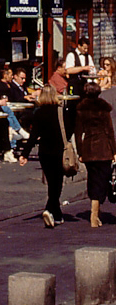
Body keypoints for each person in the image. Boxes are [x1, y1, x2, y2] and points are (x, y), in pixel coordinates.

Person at [19, 84, 66, 228]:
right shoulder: (60, 111)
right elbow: (68, 129)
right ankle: (50, 210)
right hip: (59, 150)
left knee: (51, 181)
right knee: (57, 183)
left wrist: (25, 154)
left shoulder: (38, 113)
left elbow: (33, 136)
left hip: (45, 151)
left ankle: (55, 213)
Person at [75, 82, 116, 228]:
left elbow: (78, 133)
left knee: (93, 179)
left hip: (89, 148)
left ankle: (94, 211)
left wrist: (80, 152)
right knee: (103, 180)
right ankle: (95, 212)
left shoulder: (81, 109)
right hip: (104, 148)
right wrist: (114, 150)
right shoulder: (104, 108)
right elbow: (110, 131)